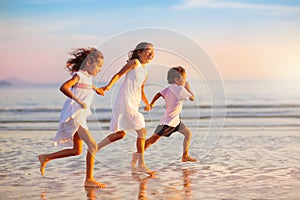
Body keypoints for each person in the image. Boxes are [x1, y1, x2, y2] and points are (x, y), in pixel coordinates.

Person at [38, 47, 106, 188]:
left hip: (81, 116)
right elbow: (64, 87)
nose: (99, 69)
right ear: (88, 63)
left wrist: (97, 89)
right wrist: (78, 100)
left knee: (77, 151)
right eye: (98, 66)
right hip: (76, 115)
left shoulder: (87, 78)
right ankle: (89, 179)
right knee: (93, 146)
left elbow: (88, 85)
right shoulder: (79, 75)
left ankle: (46, 157)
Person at [97, 42, 156, 175]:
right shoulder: (135, 63)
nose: (151, 53)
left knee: (121, 134)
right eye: (148, 50)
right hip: (126, 100)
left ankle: (96, 147)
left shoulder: (145, 72)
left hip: (134, 102)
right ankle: (141, 164)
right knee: (142, 131)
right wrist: (108, 87)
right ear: (139, 52)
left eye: (153, 51)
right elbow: (118, 75)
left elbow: (141, 89)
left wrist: (147, 103)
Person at [131, 66, 197, 167]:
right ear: (176, 79)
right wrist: (188, 88)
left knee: (188, 133)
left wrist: (152, 104)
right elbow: (192, 98)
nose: (185, 81)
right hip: (168, 123)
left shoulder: (169, 88)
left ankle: (185, 155)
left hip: (175, 121)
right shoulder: (180, 89)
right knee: (152, 140)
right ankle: (137, 153)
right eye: (184, 78)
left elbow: (158, 94)